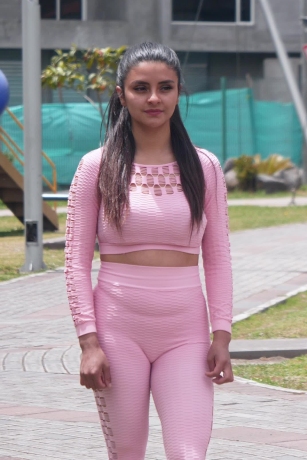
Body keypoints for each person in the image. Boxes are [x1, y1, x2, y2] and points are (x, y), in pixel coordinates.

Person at [64, 42, 234, 459]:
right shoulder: (96, 166)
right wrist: (89, 343)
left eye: (165, 87)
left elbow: (218, 256)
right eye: (141, 88)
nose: (154, 98)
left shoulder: (205, 166)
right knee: (127, 452)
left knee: (188, 453)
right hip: (117, 332)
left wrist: (223, 335)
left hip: (186, 335)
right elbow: (75, 262)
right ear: (121, 94)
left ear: (179, 92)